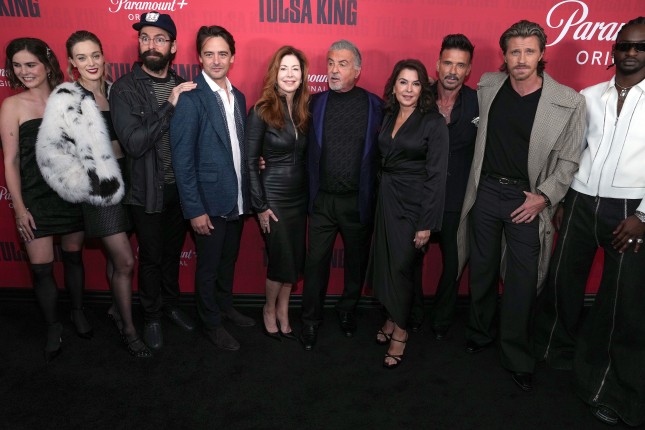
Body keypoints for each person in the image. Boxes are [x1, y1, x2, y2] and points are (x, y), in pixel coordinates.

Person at [455, 20, 586, 391]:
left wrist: (544, 196)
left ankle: (516, 355)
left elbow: (570, 159)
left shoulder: (569, 101)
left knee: (522, 280)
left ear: (542, 54)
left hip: (527, 198)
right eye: (515, 52)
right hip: (485, 191)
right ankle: (480, 333)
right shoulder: (488, 85)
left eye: (529, 51)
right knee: (481, 269)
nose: (522, 59)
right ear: (505, 55)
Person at [534, 17, 645, 426]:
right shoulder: (590, 96)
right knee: (562, 281)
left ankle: (611, 388)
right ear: (613, 50)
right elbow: (572, 151)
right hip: (580, 200)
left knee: (621, 303)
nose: (630, 53)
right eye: (624, 45)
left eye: (640, 47)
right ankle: (552, 351)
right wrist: (564, 199)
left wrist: (644, 215)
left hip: (630, 211)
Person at [35, 31, 151, 358]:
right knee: (126, 261)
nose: (91, 63)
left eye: (95, 55)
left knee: (117, 261)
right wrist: (86, 184)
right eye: (82, 57)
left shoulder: (117, 91)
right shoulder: (65, 97)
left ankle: (116, 309)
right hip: (102, 191)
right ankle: (129, 331)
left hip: (132, 183)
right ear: (72, 62)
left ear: (103, 56)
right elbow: (50, 152)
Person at [110, 11, 198, 350]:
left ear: (173, 46)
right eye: (145, 38)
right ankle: (152, 317)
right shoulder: (125, 88)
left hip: (180, 190)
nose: (151, 44)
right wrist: (170, 105)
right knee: (150, 258)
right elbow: (134, 143)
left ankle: (171, 306)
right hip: (146, 191)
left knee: (172, 254)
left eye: (160, 39)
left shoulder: (184, 85)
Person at [0, 38, 86, 362]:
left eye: (30, 64)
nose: (24, 72)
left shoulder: (70, 98)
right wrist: (20, 209)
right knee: (41, 269)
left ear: (48, 64)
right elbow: (10, 161)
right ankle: (53, 325)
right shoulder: (12, 106)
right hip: (35, 197)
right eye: (17, 66)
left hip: (71, 193)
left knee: (74, 257)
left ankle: (78, 312)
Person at [170, 25, 255, 352]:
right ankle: (211, 323)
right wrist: (194, 209)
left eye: (222, 53)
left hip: (237, 199)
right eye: (209, 54)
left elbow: (237, 147)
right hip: (207, 202)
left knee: (227, 261)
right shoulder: (191, 99)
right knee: (207, 268)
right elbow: (182, 160)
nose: (216, 60)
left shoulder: (239, 96)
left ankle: (225, 306)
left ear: (232, 57)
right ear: (200, 58)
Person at [300, 40, 383, 350]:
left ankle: (348, 309)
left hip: (357, 201)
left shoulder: (376, 106)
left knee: (356, 263)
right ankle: (310, 320)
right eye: (331, 63)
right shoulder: (314, 104)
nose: (334, 70)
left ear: (357, 71)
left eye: (343, 64)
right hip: (322, 200)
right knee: (315, 263)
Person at [370, 59, 448, 369]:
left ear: (423, 89)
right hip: (386, 200)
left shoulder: (433, 122)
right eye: (403, 82)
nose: (408, 89)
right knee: (387, 265)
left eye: (416, 84)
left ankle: (401, 332)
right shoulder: (389, 114)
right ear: (394, 86)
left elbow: (437, 177)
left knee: (402, 268)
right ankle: (391, 317)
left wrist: (426, 224)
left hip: (414, 205)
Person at [408, 34, 478, 339]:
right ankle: (411, 313)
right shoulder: (417, 97)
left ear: (468, 70)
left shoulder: (478, 101)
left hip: (458, 199)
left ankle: (441, 319)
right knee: (410, 260)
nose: (453, 70)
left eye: (460, 65)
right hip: (420, 197)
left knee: (454, 263)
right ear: (437, 65)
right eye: (448, 63)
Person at [246, 46, 310, 341]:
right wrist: (260, 205)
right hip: (273, 197)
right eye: (284, 68)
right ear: (275, 73)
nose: (289, 74)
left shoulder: (304, 110)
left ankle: (284, 309)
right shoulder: (261, 110)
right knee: (280, 261)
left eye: (295, 69)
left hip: (299, 197)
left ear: (302, 75)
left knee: (293, 260)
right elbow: (250, 162)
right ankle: (269, 309)